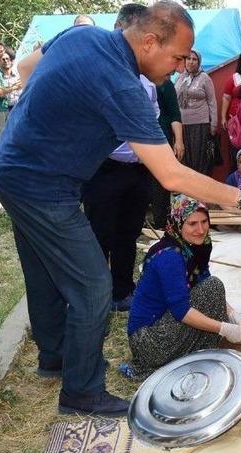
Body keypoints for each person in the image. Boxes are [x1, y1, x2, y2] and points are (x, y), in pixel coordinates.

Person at [0, 0, 241, 417]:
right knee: (94, 286)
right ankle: (82, 392)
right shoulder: (123, 85)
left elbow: (24, 71)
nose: (182, 66)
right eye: (178, 56)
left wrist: (56, 123)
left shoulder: (82, 35)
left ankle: (55, 358)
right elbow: (171, 175)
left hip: (9, 166)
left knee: (43, 270)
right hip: (43, 185)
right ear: (149, 42)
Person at [125, 195, 241, 377]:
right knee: (213, 287)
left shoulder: (196, 247)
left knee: (212, 286)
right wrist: (224, 329)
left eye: (204, 222)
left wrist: (235, 317)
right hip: (149, 341)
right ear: (178, 224)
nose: (200, 229)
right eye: (192, 224)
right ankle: (198, 352)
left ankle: (201, 348)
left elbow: (205, 282)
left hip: (164, 323)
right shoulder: (169, 255)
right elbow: (181, 311)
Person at [82, 3, 158, 313]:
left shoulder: (149, 83)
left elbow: (152, 125)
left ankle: (122, 290)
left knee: (129, 233)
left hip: (138, 170)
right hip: (104, 168)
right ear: (119, 29)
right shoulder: (95, 73)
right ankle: (96, 299)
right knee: (100, 235)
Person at [175, 49, 217, 175]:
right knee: (185, 158)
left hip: (200, 124)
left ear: (199, 62)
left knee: (199, 158)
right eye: (188, 59)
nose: (191, 62)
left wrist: (214, 124)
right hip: (182, 125)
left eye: (194, 59)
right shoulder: (179, 78)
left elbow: (212, 102)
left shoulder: (205, 78)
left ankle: (201, 190)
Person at [150, 75, 184, 228]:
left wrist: (178, 140)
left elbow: (174, 114)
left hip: (161, 137)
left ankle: (161, 222)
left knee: (160, 181)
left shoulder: (166, 84)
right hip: (138, 138)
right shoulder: (134, 78)